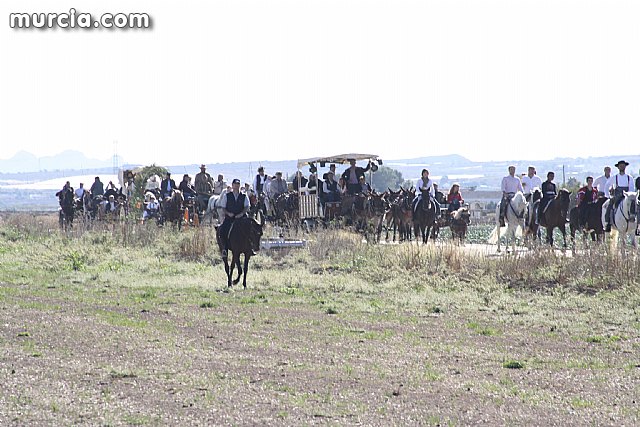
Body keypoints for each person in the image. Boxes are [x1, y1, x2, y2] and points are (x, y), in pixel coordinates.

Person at [217, 178, 251, 256]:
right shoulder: (227, 195)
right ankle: (224, 249)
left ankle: (250, 248)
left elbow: (247, 206)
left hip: (241, 217)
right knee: (222, 231)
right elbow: (223, 207)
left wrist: (242, 214)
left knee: (251, 230)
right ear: (232, 185)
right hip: (230, 218)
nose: (236, 186)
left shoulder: (244, 195)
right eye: (235, 184)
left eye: (238, 184)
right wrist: (228, 213)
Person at [603, 160, 635, 232]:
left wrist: (628, 195)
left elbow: (632, 188)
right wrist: (607, 195)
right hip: (617, 196)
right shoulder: (615, 177)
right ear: (618, 167)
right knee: (610, 205)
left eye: (623, 166)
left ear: (625, 167)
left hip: (627, 196)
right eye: (621, 166)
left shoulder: (629, 178)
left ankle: (637, 224)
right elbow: (607, 185)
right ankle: (608, 223)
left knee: (636, 205)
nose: (622, 167)